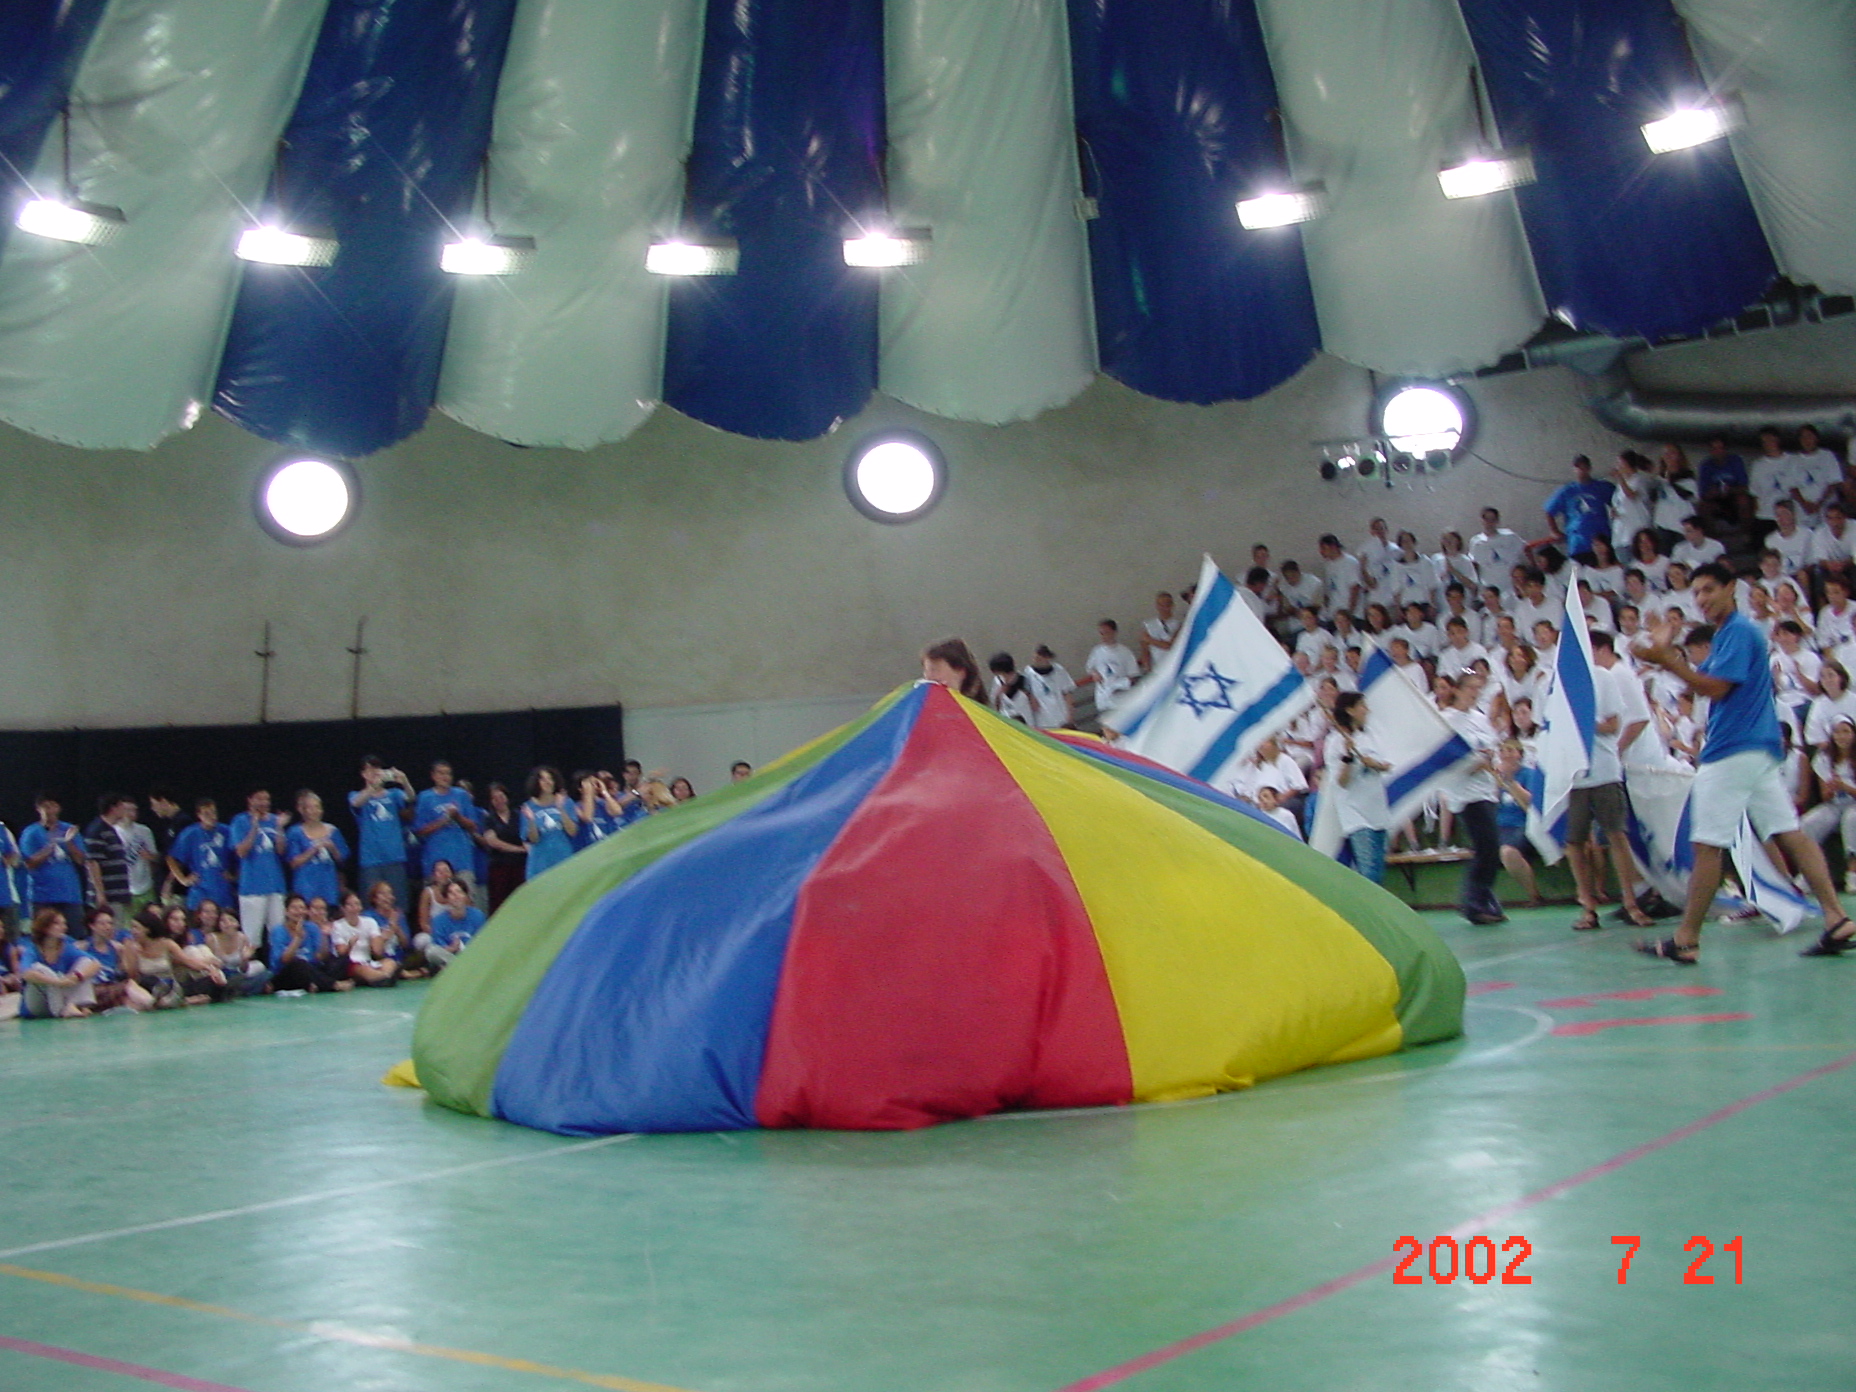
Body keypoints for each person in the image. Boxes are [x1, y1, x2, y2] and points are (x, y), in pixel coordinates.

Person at [1631, 561, 1855, 961]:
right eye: (1696, 593)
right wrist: (1661, 653)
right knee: (1790, 834)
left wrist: (1666, 658)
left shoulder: (1738, 631)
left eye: (1708, 589)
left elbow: (1715, 689)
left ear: (1731, 587)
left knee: (1707, 845)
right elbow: (1701, 681)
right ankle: (1836, 918)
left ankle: (1686, 939)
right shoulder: (1727, 636)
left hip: (1733, 751)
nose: (1701, 598)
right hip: (1755, 751)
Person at [1563, 646, 1654, 933]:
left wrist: (1581, 723)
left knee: (1616, 835)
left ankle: (1631, 903)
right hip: (1572, 775)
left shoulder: (1603, 677)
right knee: (1575, 842)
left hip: (1604, 770)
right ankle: (1587, 907)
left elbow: (1612, 725)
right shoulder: (1555, 682)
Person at [1440, 674, 1506, 924]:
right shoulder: (1447, 721)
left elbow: (1493, 750)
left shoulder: (1480, 719)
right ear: (1457, 690)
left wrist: (1492, 762)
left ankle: (1484, 899)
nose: (1475, 693)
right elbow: (1449, 762)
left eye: (1479, 688)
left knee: (1489, 848)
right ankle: (1473, 901)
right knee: (1487, 847)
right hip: (1466, 794)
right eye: (1470, 688)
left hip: (1486, 789)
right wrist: (1477, 762)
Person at [1324, 692, 1393, 883]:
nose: (1367, 710)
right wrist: (1348, 757)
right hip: (1356, 814)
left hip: (1377, 811)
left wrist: (1374, 764)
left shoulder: (1368, 737)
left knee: (1378, 870)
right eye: (1362, 705)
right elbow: (1341, 782)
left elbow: (1386, 764)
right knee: (1368, 870)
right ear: (1350, 710)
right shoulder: (1335, 742)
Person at [229, 789, 289, 959]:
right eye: (259, 799)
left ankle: (278, 969)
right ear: (250, 800)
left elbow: (281, 851)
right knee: (251, 938)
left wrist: (280, 827)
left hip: (275, 885)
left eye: (267, 799)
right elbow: (241, 852)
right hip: (252, 887)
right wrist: (254, 826)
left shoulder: (274, 820)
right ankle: (250, 968)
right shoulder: (240, 821)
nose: (264, 802)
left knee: (278, 934)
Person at [349, 756, 414, 909]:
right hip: (371, 860)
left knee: (398, 904)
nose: (374, 773)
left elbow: (411, 798)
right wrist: (372, 787)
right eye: (369, 770)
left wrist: (404, 781)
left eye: (376, 769)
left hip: (394, 857)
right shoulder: (355, 795)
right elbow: (356, 803)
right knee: (371, 904)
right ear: (363, 774)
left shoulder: (394, 794)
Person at [1801, 719, 1856, 893]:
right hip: (1835, 805)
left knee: (1852, 819)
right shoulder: (1824, 758)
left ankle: (1853, 875)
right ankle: (1809, 876)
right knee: (1808, 823)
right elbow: (1825, 796)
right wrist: (1832, 788)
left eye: (1845, 731)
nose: (1841, 736)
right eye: (1837, 732)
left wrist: (1846, 787)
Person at [20, 795, 87, 935]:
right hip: (42, 895)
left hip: (70, 894)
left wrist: (69, 842)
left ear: (59, 808)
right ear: (38, 809)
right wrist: (51, 845)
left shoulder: (69, 829)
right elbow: (30, 863)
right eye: (45, 806)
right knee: (42, 934)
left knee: (77, 934)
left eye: (53, 806)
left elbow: (80, 860)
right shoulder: (31, 832)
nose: (49, 810)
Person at [414, 762, 479, 894]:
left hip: (461, 861)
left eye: (448, 774)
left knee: (465, 899)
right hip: (435, 862)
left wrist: (457, 816)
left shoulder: (461, 795)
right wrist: (444, 821)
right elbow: (419, 830)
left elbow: (473, 826)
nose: (445, 777)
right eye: (441, 773)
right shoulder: (425, 797)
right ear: (433, 776)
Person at [18, 908, 97, 1017]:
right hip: (38, 1003)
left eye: (64, 924)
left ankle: (79, 1005)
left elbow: (94, 963)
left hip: (61, 996)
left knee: (85, 963)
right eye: (57, 924)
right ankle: (64, 1009)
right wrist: (57, 982)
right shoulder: (32, 949)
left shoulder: (66, 946)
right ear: (45, 927)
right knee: (39, 969)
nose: (63, 927)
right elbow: (26, 974)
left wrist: (77, 976)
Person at [269, 894, 347, 994]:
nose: (298, 911)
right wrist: (298, 939)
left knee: (341, 960)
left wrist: (323, 933)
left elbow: (321, 957)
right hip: (286, 973)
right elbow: (285, 960)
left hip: (310, 969)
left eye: (301, 908)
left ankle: (314, 984)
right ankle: (333, 985)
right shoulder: (278, 930)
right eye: (294, 908)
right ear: (286, 911)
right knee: (299, 963)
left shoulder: (311, 927)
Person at [168, 798, 234, 911]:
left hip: (223, 890)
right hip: (200, 891)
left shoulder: (226, 831)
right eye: (206, 814)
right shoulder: (190, 833)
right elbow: (171, 858)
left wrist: (235, 875)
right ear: (199, 815)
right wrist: (182, 879)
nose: (212, 816)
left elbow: (240, 854)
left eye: (213, 812)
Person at [1545, 455, 1614, 560]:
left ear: (1589, 468)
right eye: (1578, 467)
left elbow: (1619, 501)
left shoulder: (1602, 487)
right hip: (1578, 543)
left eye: (1584, 467)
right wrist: (1555, 531)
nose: (1581, 471)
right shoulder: (1566, 491)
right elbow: (1549, 511)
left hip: (1602, 540)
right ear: (1574, 469)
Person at [285, 791, 348, 907]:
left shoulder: (333, 830)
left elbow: (342, 859)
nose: (314, 811)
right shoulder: (295, 832)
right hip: (306, 886)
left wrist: (332, 848)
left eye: (317, 807)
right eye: (310, 808)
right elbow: (293, 862)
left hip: (328, 886)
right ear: (303, 811)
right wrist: (314, 849)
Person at [84, 793, 135, 931]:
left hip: (117, 895)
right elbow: (93, 863)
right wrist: (100, 894)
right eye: (122, 807)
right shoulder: (97, 830)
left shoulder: (111, 830)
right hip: (108, 896)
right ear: (113, 808)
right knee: (109, 931)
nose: (125, 811)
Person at [331, 890, 398, 987]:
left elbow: (378, 951)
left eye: (357, 904)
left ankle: (382, 977)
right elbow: (341, 953)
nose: (355, 908)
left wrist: (381, 939)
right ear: (343, 908)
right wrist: (350, 945)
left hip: (368, 961)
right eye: (350, 905)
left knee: (390, 962)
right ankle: (384, 977)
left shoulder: (370, 922)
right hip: (351, 964)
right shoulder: (337, 925)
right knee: (363, 970)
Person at [520, 767, 578, 881]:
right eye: (543, 779)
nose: (547, 782)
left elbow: (572, 832)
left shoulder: (566, 802)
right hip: (540, 863)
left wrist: (561, 808)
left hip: (563, 858)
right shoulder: (528, 807)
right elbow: (533, 839)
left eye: (550, 778)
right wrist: (531, 820)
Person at [476, 782, 526, 911]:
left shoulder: (518, 816)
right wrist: (518, 849)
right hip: (499, 867)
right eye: (495, 798)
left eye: (501, 796)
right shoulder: (489, 819)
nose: (499, 800)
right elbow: (492, 841)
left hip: (519, 866)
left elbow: (527, 836)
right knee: (499, 904)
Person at [417, 879, 484, 972]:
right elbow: (439, 948)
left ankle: (453, 969)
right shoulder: (438, 920)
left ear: (465, 896)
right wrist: (452, 948)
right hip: (451, 957)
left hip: (473, 955)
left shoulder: (478, 915)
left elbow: (483, 943)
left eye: (459, 892)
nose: (456, 896)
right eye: (451, 893)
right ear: (447, 898)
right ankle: (460, 967)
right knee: (430, 951)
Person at [1079, 622, 1139, 712]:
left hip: (1120, 698)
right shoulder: (1097, 651)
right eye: (1101, 633)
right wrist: (1094, 673)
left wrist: (1121, 685)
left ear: (1114, 632)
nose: (1104, 636)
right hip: (1103, 698)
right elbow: (1089, 667)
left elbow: (1133, 674)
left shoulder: (1125, 652)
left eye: (1106, 633)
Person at [1021, 645, 1076, 729]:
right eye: (1035, 658)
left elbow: (1067, 693)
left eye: (1040, 659)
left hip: (1061, 717)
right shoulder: (1029, 673)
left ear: (1047, 658)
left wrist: (1070, 716)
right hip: (1042, 720)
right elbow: (1026, 692)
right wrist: (1031, 697)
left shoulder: (1059, 670)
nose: (1036, 661)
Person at [921, 638, 988, 702]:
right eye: (926, 671)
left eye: (935, 669)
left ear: (961, 672)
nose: (928, 677)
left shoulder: (974, 709)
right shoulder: (921, 705)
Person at [988, 652, 1035, 723]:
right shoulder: (997, 681)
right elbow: (995, 702)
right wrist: (999, 693)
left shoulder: (1024, 680)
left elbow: (1034, 705)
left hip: (1026, 720)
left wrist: (1028, 695)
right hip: (1006, 719)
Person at [1139, 592, 1180, 671]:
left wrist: (1149, 639)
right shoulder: (1148, 625)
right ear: (1157, 606)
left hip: (1173, 666)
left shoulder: (1179, 625)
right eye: (1161, 605)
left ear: (1172, 605)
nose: (1164, 608)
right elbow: (1145, 650)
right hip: (1156, 667)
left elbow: (1170, 646)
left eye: (1167, 605)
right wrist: (1147, 668)